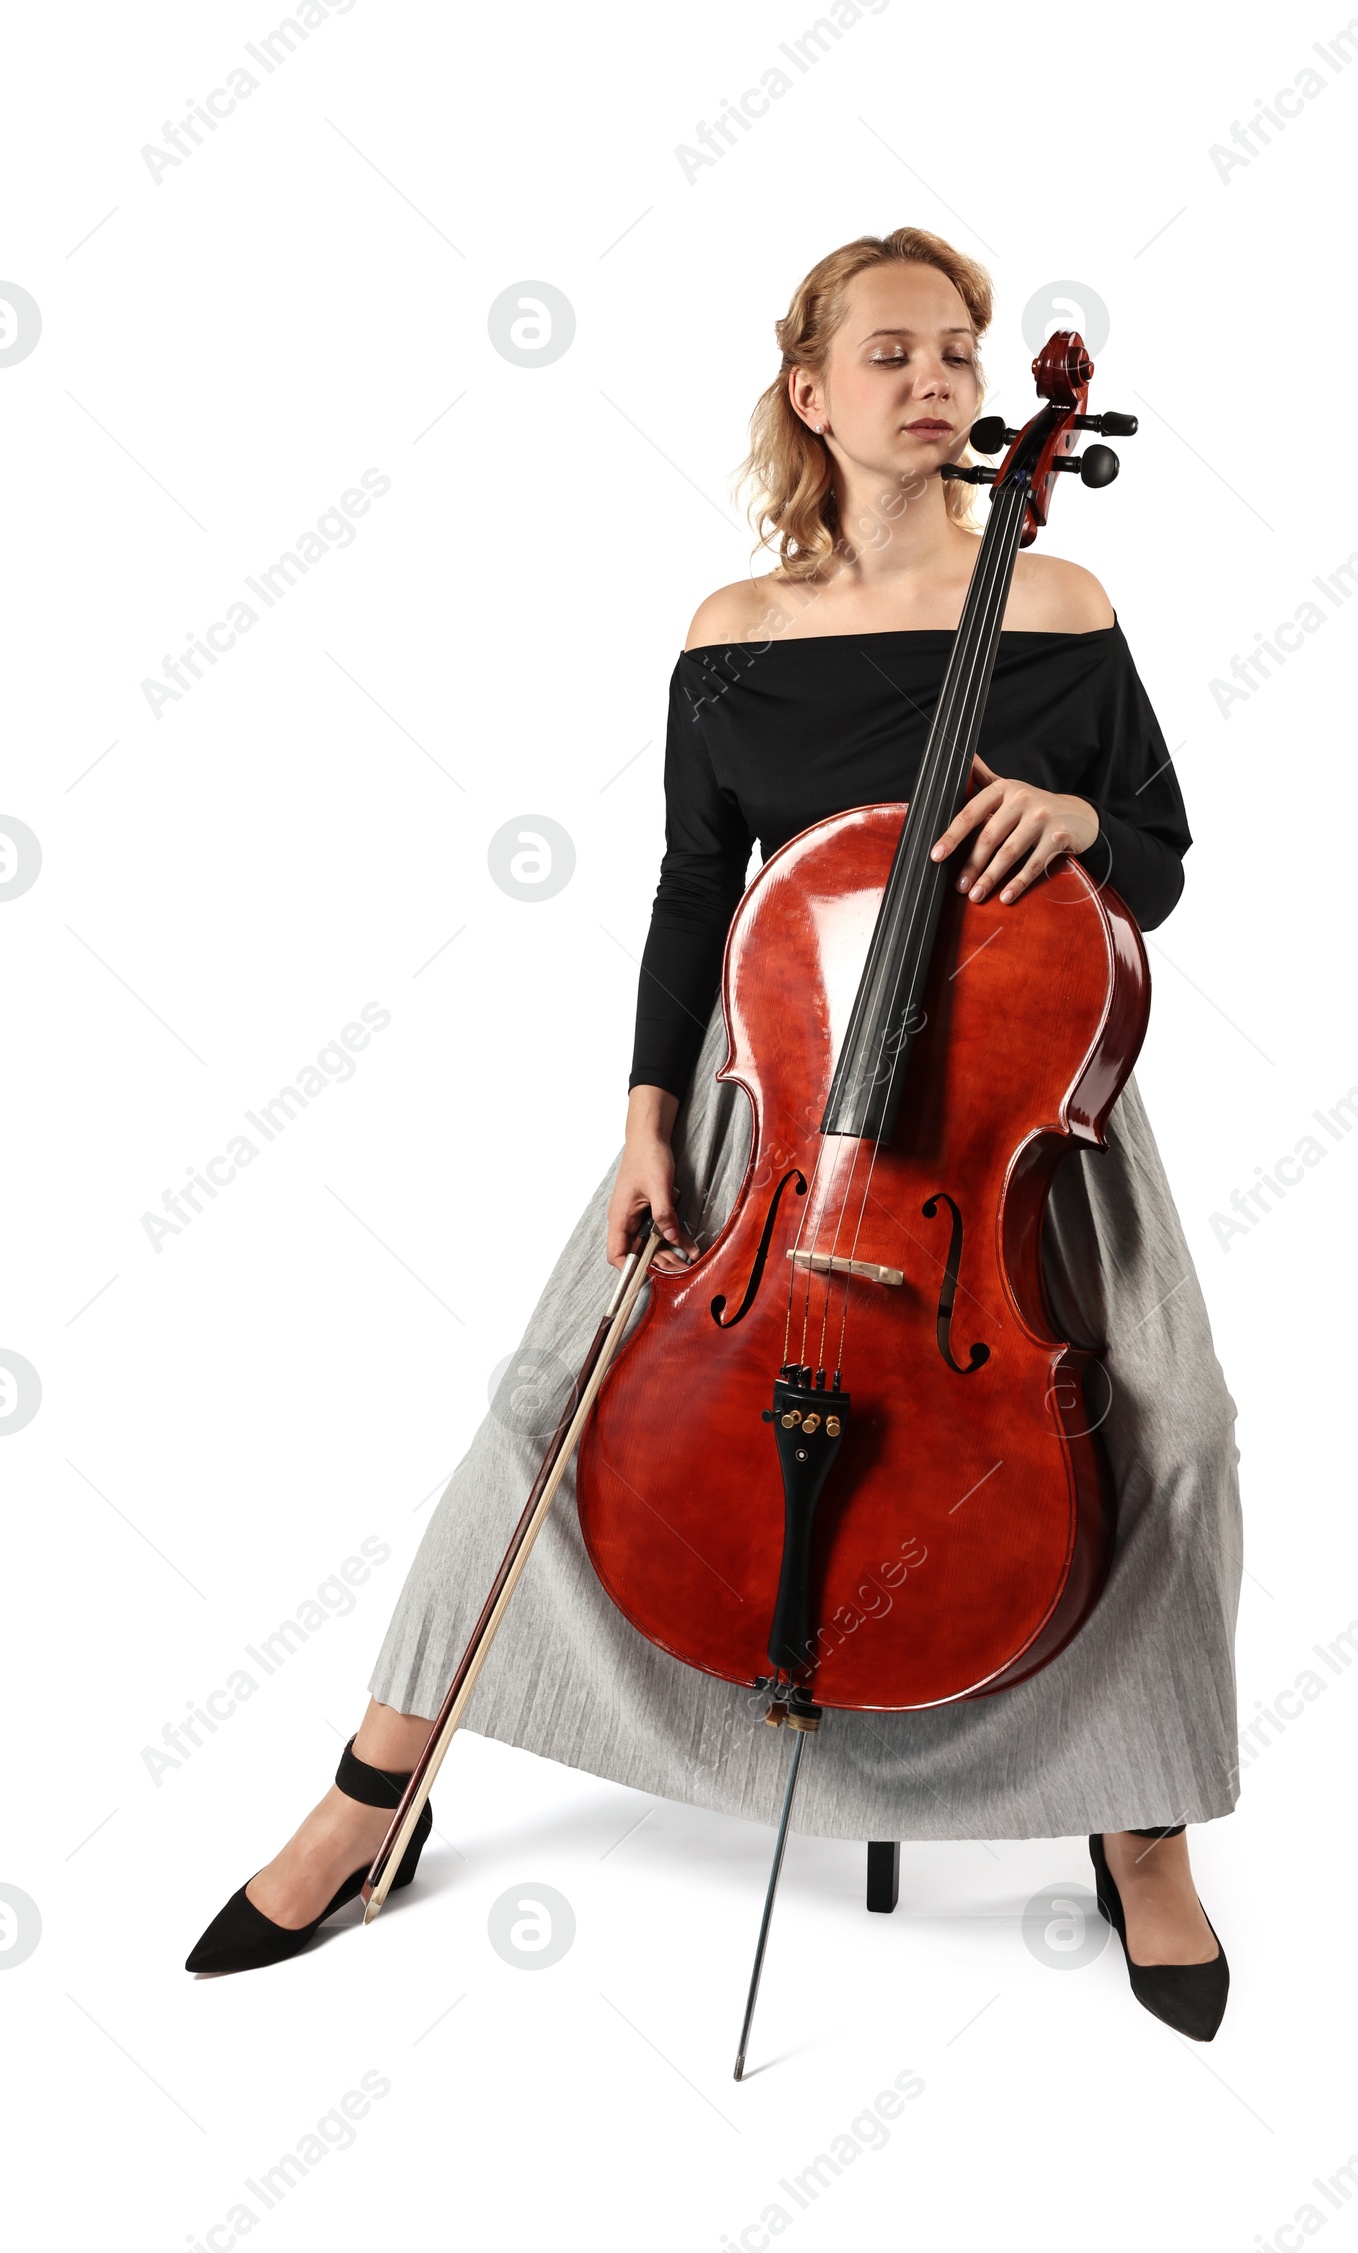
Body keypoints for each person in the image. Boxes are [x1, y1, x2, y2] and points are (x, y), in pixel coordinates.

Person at [187, 228, 1242, 2042]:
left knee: (1181, 1423)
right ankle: (378, 1784)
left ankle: (1139, 1825)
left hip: (1017, 1116)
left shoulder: (1057, 605)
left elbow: (1158, 858)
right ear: (811, 394)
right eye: (895, 354)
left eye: (962, 359)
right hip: (777, 1106)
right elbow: (697, 894)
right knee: (548, 1396)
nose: (937, 384)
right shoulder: (735, 637)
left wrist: (1078, 818)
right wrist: (650, 1115)